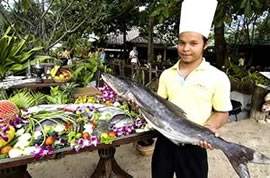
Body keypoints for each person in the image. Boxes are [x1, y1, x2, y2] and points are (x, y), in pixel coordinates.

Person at [151, 0, 232, 178]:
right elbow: (158, 106)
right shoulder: (167, 74)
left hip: (195, 144)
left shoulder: (218, 77)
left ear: (205, 43)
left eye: (193, 43)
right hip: (165, 140)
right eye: (182, 43)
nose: (186, 49)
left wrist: (211, 127)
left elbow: (222, 112)